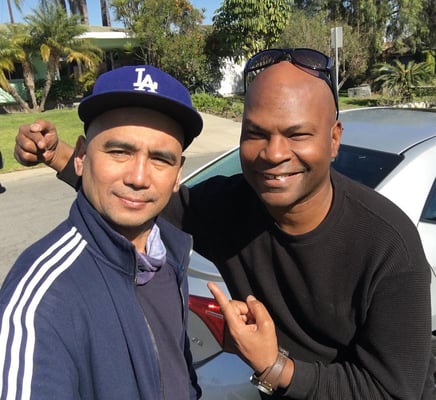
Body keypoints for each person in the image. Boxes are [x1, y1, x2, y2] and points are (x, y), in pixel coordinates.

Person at [14, 48, 435, 399]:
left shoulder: (388, 245)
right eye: (256, 133)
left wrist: (274, 366)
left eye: (297, 135)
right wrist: (55, 154)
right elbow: (141, 193)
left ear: (334, 139)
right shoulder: (230, 205)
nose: (274, 153)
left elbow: (393, 390)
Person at [2, 65, 203, 400]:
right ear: (81, 157)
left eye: (160, 159)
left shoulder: (170, 255)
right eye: (119, 152)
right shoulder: (43, 301)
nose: (138, 177)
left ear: (178, 174)